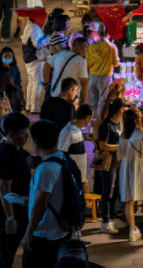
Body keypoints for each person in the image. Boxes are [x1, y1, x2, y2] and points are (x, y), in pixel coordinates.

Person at [21, 120, 75, 268]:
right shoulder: (64, 158)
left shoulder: (45, 169)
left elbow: (40, 204)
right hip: (62, 229)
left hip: (45, 234)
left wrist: (29, 232)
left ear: (36, 143)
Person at [117, 108, 143, 242]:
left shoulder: (123, 135)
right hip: (140, 167)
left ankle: (133, 231)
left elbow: (119, 155)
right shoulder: (142, 133)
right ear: (137, 119)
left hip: (126, 167)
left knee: (129, 201)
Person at [0, 114, 31, 268]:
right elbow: (4, 189)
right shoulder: (6, 153)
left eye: (27, 131)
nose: (26, 135)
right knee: (6, 254)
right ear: (11, 134)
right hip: (11, 212)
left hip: (21, 210)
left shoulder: (20, 151)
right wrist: (10, 217)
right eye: (22, 132)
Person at [93, 100, 124, 234]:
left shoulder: (120, 124)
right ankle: (105, 221)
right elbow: (102, 145)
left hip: (118, 160)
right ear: (121, 110)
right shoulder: (106, 125)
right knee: (108, 190)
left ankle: (112, 216)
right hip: (109, 161)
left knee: (116, 189)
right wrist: (119, 147)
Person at [45, 37, 88, 106]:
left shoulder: (60, 54)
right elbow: (84, 83)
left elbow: (46, 65)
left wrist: (46, 83)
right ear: (77, 47)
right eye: (84, 48)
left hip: (54, 94)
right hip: (70, 98)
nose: (86, 50)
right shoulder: (81, 61)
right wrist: (84, 101)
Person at [58, 105, 92, 186]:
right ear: (87, 118)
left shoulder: (77, 129)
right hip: (71, 178)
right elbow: (61, 153)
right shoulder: (68, 130)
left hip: (79, 176)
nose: (91, 121)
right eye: (91, 118)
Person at [84, 37, 117, 118]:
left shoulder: (91, 47)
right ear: (107, 35)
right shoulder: (111, 47)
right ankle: (99, 120)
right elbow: (115, 63)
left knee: (92, 100)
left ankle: (91, 122)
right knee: (103, 100)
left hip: (92, 76)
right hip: (105, 76)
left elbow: (87, 63)